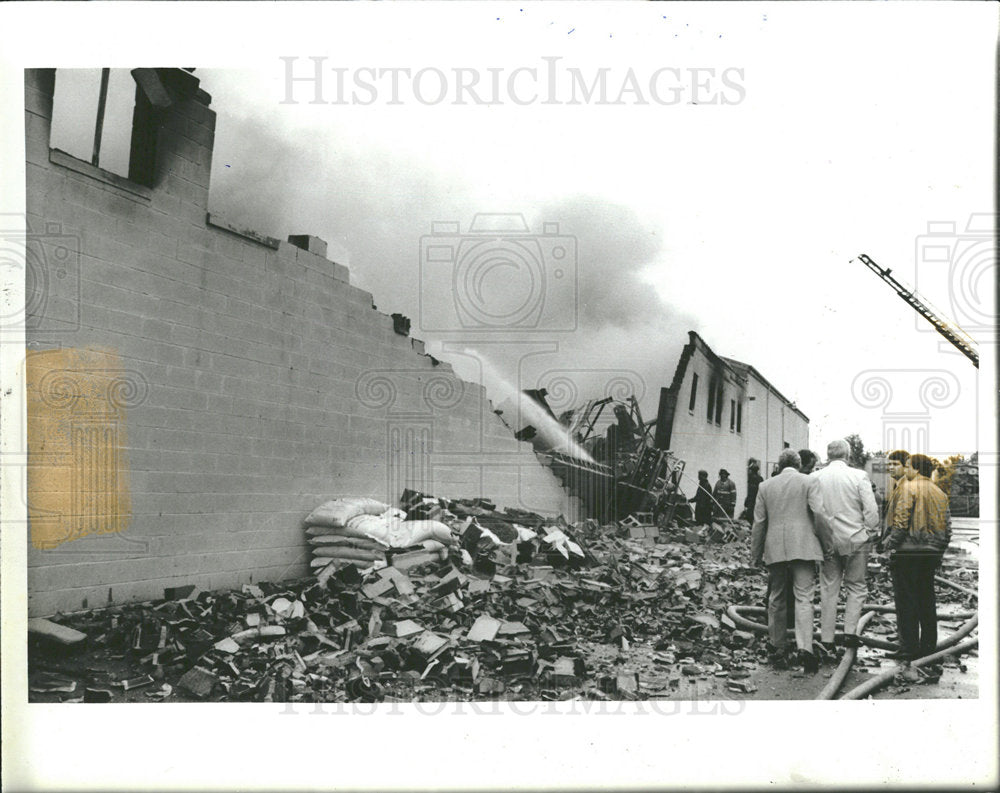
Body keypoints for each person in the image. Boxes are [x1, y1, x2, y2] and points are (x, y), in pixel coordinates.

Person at [751, 449, 830, 673]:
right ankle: (805, 648)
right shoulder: (809, 481)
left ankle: (777, 646)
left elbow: (759, 523)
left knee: (776, 596)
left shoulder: (765, 486)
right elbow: (819, 514)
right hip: (803, 546)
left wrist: (755, 555)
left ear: (779, 464)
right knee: (804, 597)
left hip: (775, 547)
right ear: (798, 464)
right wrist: (827, 545)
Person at [884, 452, 951, 671]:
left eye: (908, 466)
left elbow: (901, 522)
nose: (906, 470)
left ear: (916, 469)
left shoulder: (909, 488)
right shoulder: (940, 493)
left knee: (906, 601)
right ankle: (928, 648)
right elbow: (948, 528)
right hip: (930, 554)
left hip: (908, 553)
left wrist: (890, 544)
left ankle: (909, 648)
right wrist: (939, 551)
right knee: (927, 599)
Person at [812, 439, 879, 653]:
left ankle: (827, 639)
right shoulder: (859, 476)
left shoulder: (815, 477)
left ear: (828, 455)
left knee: (828, 588)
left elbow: (812, 511)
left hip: (826, 540)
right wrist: (869, 532)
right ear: (847, 455)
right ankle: (850, 634)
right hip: (855, 539)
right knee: (856, 586)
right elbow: (871, 509)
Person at [876, 449, 911, 551]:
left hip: (900, 546)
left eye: (895, 464)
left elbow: (902, 522)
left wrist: (888, 543)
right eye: (889, 464)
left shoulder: (907, 487)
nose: (891, 467)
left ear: (906, 467)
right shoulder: (898, 485)